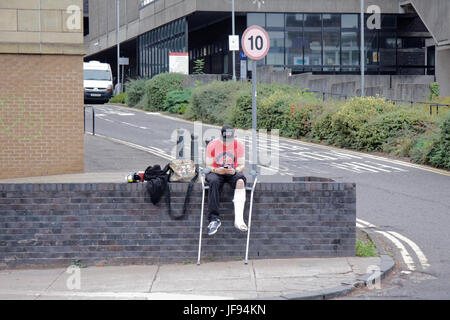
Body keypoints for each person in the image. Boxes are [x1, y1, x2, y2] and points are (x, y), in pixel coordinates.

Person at [205, 125, 247, 236]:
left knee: (240, 181)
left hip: (232, 171)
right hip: (216, 171)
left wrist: (234, 171)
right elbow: (208, 165)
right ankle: (214, 219)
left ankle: (239, 219)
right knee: (213, 181)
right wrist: (216, 170)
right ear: (220, 134)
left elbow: (242, 165)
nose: (226, 143)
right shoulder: (212, 144)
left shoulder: (238, 145)